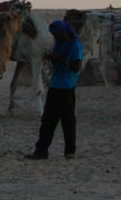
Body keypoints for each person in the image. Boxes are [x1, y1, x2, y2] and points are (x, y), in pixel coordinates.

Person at [24, 20, 83, 160]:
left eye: (57, 35)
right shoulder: (58, 45)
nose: (55, 38)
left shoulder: (75, 46)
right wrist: (51, 58)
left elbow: (76, 66)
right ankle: (41, 151)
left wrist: (60, 59)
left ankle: (70, 151)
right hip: (55, 85)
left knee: (67, 121)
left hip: (67, 87)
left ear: (64, 33)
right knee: (47, 121)